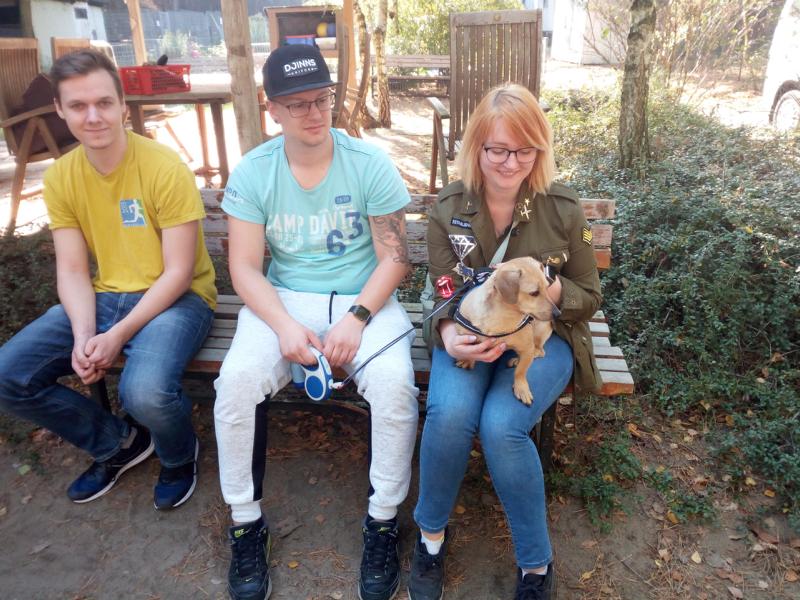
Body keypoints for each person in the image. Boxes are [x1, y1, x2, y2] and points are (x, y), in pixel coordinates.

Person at [213, 44, 419, 600]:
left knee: (396, 387)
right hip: (283, 299)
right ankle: (245, 522)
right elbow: (244, 267)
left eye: (322, 99)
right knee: (236, 384)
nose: (313, 113)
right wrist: (282, 324)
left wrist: (357, 317)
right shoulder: (255, 171)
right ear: (272, 109)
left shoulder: (368, 163)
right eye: (298, 104)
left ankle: (382, 520)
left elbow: (395, 256)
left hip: (363, 298)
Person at [409, 83, 603, 600]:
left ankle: (535, 566)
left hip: (541, 339)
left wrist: (551, 291)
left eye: (524, 150)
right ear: (476, 146)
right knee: (449, 413)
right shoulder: (449, 208)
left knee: (502, 425)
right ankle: (429, 540)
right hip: (472, 335)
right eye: (498, 149)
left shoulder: (564, 210)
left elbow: (590, 294)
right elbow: (442, 289)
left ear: (540, 150)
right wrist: (447, 333)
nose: (511, 163)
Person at [0, 50, 217, 510]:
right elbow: (72, 269)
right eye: (78, 106)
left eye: (103, 102)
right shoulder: (62, 177)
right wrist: (84, 335)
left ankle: (179, 455)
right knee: (8, 375)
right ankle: (119, 443)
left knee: (143, 392)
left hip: (178, 299)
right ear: (60, 110)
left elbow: (179, 272)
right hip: (105, 297)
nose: (93, 116)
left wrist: (116, 335)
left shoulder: (163, 167)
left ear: (122, 104)